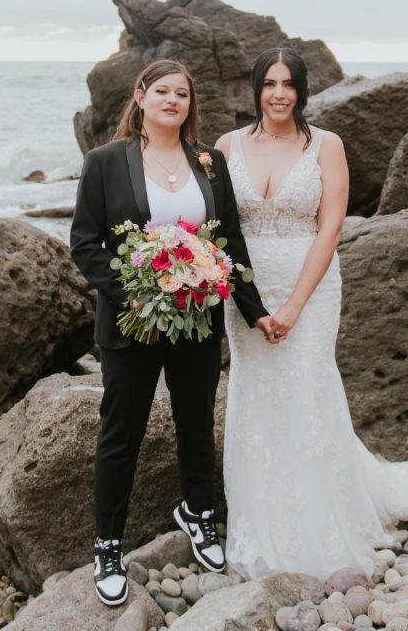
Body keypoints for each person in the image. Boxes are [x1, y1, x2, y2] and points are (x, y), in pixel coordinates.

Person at [216, 47, 408, 581]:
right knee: (255, 392)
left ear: (301, 90)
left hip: (311, 287)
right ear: (256, 89)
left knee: (305, 385)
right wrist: (248, 303)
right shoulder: (227, 147)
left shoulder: (326, 145)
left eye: (288, 84)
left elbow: (330, 226)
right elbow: (219, 226)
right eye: (269, 83)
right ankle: (259, 520)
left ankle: (321, 525)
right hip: (246, 292)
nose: (279, 93)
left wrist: (294, 305)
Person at [70, 59, 273, 606]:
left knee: (195, 422)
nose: (172, 100)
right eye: (162, 90)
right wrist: (137, 291)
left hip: (199, 318)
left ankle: (199, 513)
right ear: (140, 96)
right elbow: (85, 243)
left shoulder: (209, 163)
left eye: (182, 93)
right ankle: (107, 545)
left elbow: (227, 239)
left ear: (190, 104)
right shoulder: (106, 162)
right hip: (130, 321)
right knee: (122, 433)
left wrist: (254, 310)